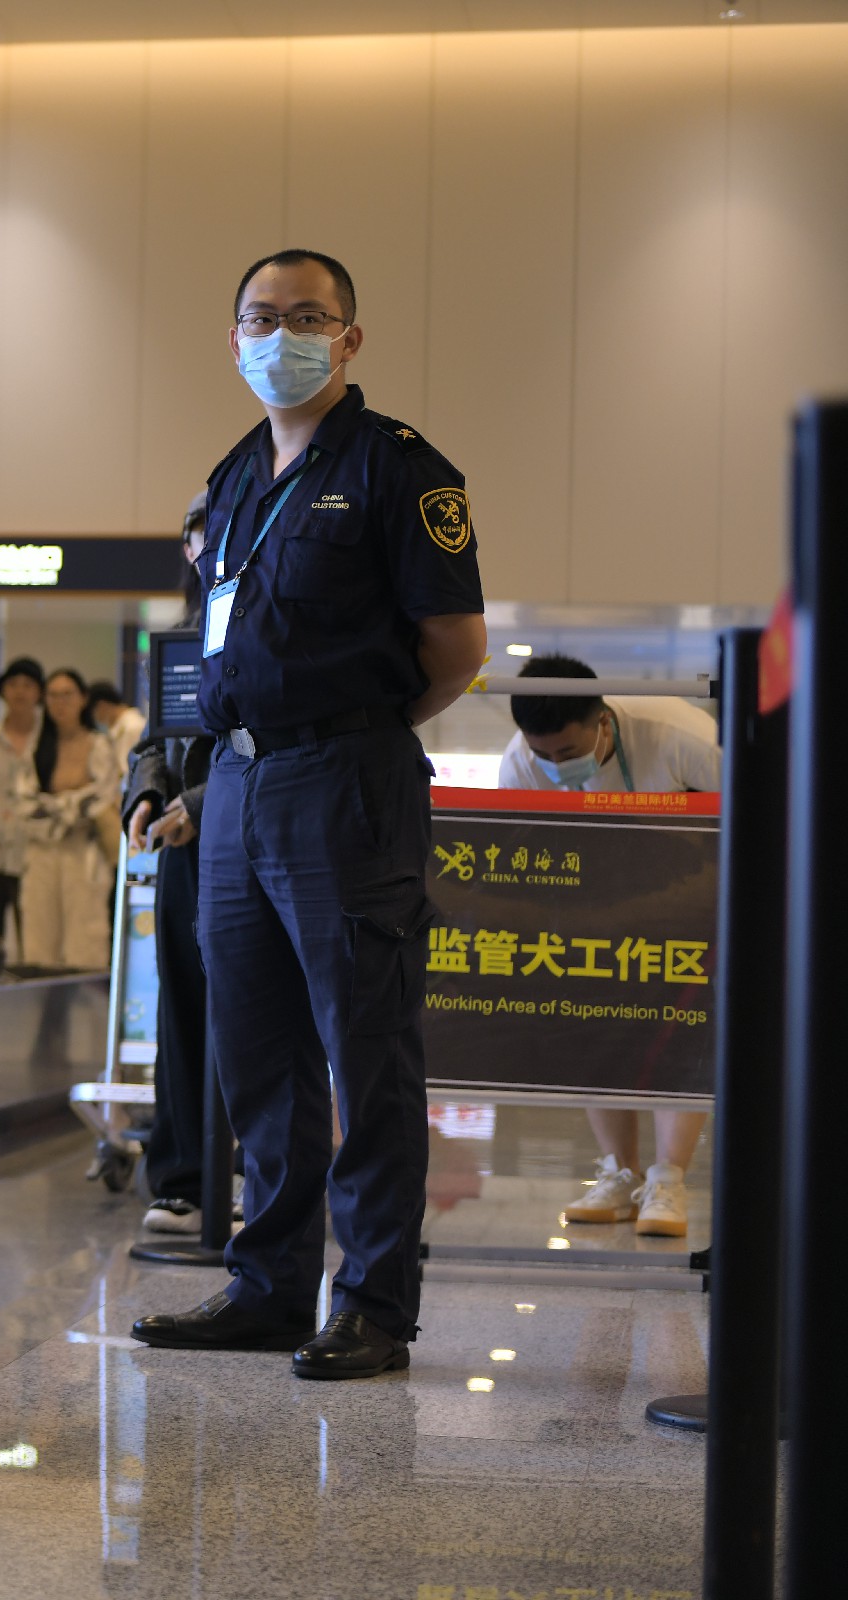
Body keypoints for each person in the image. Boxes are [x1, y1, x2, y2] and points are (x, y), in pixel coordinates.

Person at [132, 248, 488, 1380]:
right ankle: (271, 1283)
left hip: (345, 781)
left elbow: (455, 653)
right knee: (259, 1053)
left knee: (363, 1049)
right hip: (233, 788)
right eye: (258, 316)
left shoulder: (400, 470)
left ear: (350, 338)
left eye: (306, 316)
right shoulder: (233, 476)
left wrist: (358, 728)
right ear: (231, 335)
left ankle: (374, 1300)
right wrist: (177, 765)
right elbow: (207, 645)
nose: (278, 334)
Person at [500, 653, 721, 1237]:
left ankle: (667, 1180)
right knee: (596, 1026)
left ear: (602, 722)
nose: (553, 767)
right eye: (542, 755)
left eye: (567, 755)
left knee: (679, 1035)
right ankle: (619, 1175)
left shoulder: (682, 737)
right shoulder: (518, 762)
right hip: (593, 914)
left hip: (692, 907)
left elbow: (755, 821)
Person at [125, 493, 221, 1234]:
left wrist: (199, 800)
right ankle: (184, 1176)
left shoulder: (275, 623)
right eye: (195, 536)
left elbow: (273, 736)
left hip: (253, 845)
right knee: (181, 1009)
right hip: (185, 851)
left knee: (257, 1014)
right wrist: (150, 794)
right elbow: (154, 738)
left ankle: (252, 1172)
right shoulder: (179, 639)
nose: (203, 547)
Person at [0, 660, 118, 970]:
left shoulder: (99, 744)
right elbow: (24, 801)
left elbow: (101, 797)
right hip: (30, 852)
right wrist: (69, 804)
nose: (60, 703)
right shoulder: (35, 747)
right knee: (37, 943)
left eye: (67, 694)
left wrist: (55, 805)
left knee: (85, 938)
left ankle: (88, 1010)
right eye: (53, 695)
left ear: (83, 698)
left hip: (83, 854)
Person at [89, 680, 146, 756]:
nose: (92, 717)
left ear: (102, 706)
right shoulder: (120, 729)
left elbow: (127, 766)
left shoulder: (132, 728)